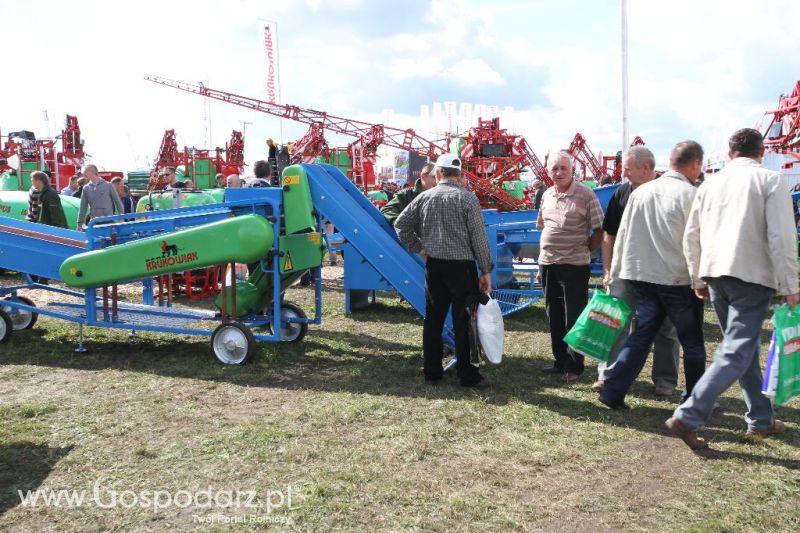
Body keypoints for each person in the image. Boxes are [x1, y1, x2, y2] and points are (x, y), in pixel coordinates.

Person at [667, 129, 799, 450]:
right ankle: (690, 413)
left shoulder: (708, 184)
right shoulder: (770, 181)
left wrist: (699, 278)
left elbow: (692, 236)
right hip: (750, 275)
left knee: (740, 349)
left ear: (729, 154)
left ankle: (761, 419)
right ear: (762, 152)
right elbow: (781, 237)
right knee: (738, 350)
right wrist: (791, 284)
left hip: (716, 275)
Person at [598, 141, 707, 410]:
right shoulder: (691, 195)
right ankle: (694, 401)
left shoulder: (640, 193)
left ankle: (613, 390)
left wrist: (619, 272)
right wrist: (700, 280)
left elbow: (623, 237)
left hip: (643, 279)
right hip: (676, 279)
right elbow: (695, 243)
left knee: (641, 335)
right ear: (694, 165)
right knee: (691, 341)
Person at [395, 153, 494, 388]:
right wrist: (485, 270)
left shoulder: (424, 197)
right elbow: (479, 238)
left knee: (433, 319)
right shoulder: (468, 199)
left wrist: (418, 249)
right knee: (464, 322)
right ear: (459, 175)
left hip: (435, 266)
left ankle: (432, 372)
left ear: (438, 173)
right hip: (462, 267)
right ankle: (467, 375)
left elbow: (401, 224)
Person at [594, 147, 680, 396]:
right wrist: (608, 269)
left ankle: (665, 380)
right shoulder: (621, 193)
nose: (625, 174)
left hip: (661, 271)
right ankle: (608, 374)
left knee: (666, 327)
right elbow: (608, 234)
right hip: (625, 270)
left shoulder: (668, 193)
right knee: (616, 322)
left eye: (628, 169)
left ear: (646, 168)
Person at [537, 151, 604, 383]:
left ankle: (575, 365)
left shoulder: (586, 195)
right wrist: (540, 266)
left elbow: (599, 230)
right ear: (547, 172)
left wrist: (587, 249)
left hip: (574, 265)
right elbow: (544, 228)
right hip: (548, 265)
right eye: (554, 169)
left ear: (572, 169)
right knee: (553, 314)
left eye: (563, 168)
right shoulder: (546, 195)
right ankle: (559, 361)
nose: (558, 173)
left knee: (574, 317)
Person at [76, 164, 124, 230]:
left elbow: (118, 202)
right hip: (94, 222)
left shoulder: (108, 185)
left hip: (108, 222)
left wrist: (121, 219)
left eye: (85, 172)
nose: (84, 174)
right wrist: (79, 223)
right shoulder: (86, 188)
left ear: (91, 172)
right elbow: (83, 207)